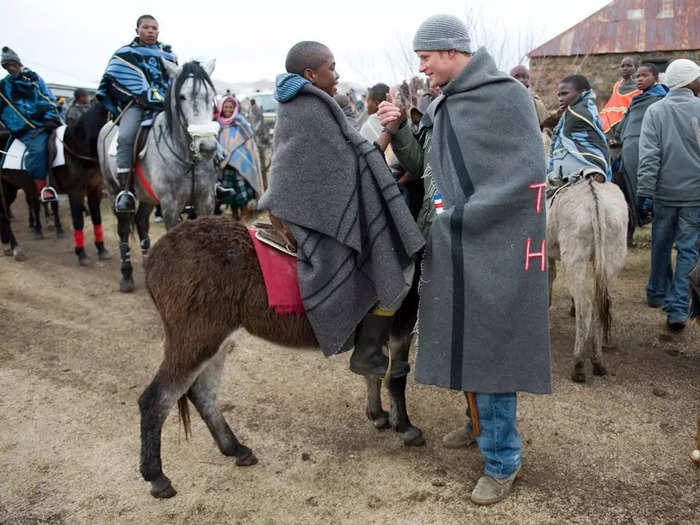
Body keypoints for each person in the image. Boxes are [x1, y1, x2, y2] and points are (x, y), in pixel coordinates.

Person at [382, 15, 550, 505]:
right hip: (454, 241)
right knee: (465, 335)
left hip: (497, 243)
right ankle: (478, 426)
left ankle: (503, 461)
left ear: (451, 51)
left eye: (426, 57)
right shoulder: (446, 102)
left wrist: (461, 215)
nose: (422, 66)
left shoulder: (505, 97)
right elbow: (433, 172)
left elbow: (524, 175)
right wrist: (401, 134)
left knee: (492, 347)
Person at [258, 41, 424, 376]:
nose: (337, 74)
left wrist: (387, 132)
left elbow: (348, 161)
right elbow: (350, 165)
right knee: (400, 270)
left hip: (320, 207)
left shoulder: (307, 103)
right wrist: (390, 133)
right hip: (317, 219)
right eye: (331, 67)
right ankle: (366, 350)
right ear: (310, 74)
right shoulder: (310, 109)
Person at [636, 58, 700, 331]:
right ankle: (676, 308)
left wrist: (644, 192)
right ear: (690, 81)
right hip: (694, 196)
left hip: (663, 194)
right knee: (688, 249)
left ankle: (656, 293)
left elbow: (650, 155)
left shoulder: (655, 111)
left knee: (660, 246)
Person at [96, 14, 177, 213]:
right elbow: (116, 81)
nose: (151, 31)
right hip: (136, 104)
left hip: (166, 105)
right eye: (146, 27)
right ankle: (126, 190)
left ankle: (211, 179)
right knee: (125, 137)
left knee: (194, 130)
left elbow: (176, 81)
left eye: (154, 28)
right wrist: (144, 96)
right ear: (137, 30)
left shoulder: (168, 55)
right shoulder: (124, 55)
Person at [0, 46, 63, 201]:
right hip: (25, 129)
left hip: (49, 121)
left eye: (12, 65)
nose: (10, 68)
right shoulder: (3, 87)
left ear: (18, 63)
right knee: (38, 149)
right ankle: (43, 188)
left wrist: (51, 117)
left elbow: (47, 97)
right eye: (6, 66)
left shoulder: (33, 77)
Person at [614, 63, 668, 242]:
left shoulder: (661, 99)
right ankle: (628, 235)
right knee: (626, 189)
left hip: (646, 150)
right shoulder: (637, 99)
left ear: (656, 78)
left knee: (647, 188)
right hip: (628, 149)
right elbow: (626, 122)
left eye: (645, 76)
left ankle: (661, 233)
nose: (640, 79)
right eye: (638, 76)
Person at [549, 74, 610, 183]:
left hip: (584, 162)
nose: (560, 99)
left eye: (565, 94)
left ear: (582, 93)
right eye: (559, 95)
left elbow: (578, 143)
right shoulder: (583, 108)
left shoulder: (577, 112)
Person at [215, 95, 263, 223]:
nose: (229, 110)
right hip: (226, 165)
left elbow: (249, 142)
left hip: (241, 165)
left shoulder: (240, 123)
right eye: (226, 107)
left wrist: (241, 126)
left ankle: (244, 215)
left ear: (235, 108)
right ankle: (234, 214)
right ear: (221, 108)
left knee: (243, 193)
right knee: (230, 192)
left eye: (231, 107)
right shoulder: (218, 125)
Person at [600, 56, 641, 133]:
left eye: (629, 66)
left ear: (636, 68)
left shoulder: (640, 87)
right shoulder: (617, 85)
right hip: (609, 127)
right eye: (622, 66)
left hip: (628, 126)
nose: (625, 68)